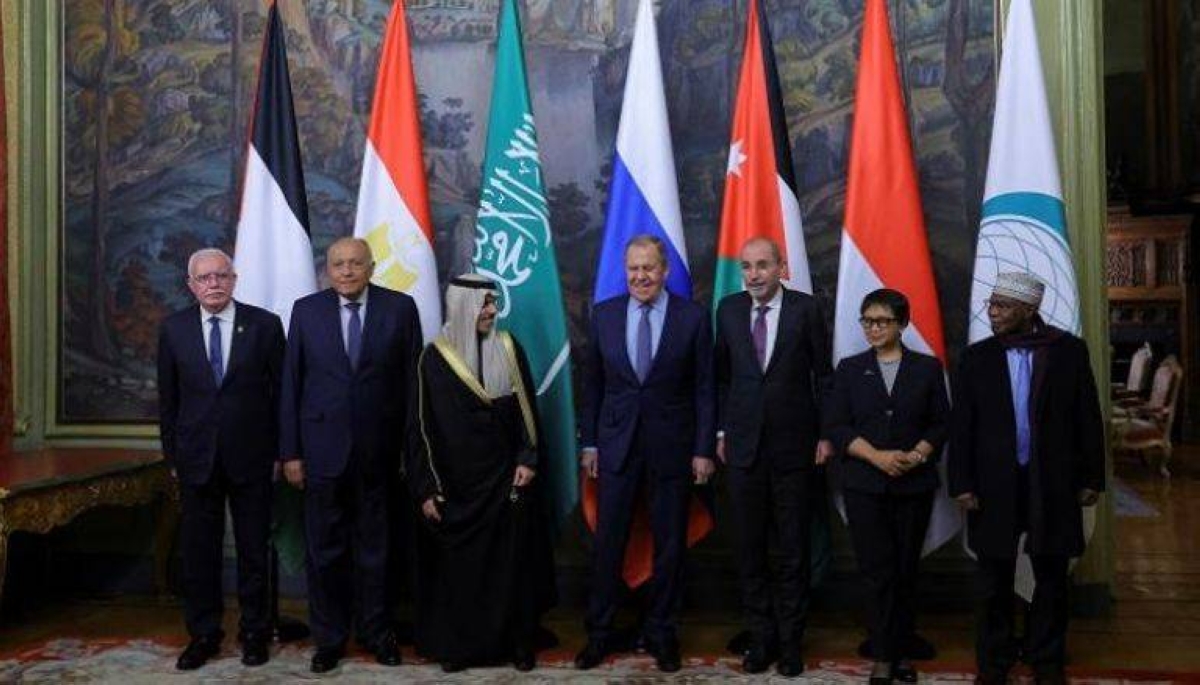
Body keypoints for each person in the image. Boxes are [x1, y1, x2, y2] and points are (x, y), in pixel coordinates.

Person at [948, 272, 1104, 685]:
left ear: (1029, 310)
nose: (993, 313)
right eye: (992, 304)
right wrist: (962, 483)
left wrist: (1092, 477)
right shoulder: (977, 357)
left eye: (1003, 306)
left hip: (1051, 482)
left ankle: (1046, 659)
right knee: (992, 578)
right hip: (992, 484)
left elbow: (1087, 417)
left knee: (1051, 575)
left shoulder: (1068, 351)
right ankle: (994, 662)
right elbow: (962, 426)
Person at [278, 237, 423, 673]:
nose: (346, 271)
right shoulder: (307, 311)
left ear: (371, 267)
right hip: (321, 455)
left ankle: (377, 634)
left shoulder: (400, 309)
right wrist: (291, 453)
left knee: (377, 552)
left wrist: (410, 451)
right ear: (328, 270)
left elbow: (412, 387)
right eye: (338, 264)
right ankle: (329, 639)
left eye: (355, 263)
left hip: (380, 455)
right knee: (324, 553)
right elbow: (291, 384)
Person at [575, 234, 716, 674]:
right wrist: (590, 443)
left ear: (665, 270)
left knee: (669, 547)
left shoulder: (693, 318)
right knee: (607, 544)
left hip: (672, 450)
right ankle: (599, 634)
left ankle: (662, 633)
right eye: (633, 269)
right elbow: (592, 386)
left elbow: (705, 389)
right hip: (615, 449)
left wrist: (703, 449)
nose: (640, 277)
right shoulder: (604, 315)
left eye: (648, 268)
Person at [408, 274, 556, 673]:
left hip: (506, 480)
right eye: (485, 303)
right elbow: (420, 428)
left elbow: (527, 413)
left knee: (513, 567)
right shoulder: (433, 358)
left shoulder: (508, 347)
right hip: (456, 488)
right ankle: (462, 647)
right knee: (462, 572)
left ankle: (517, 643)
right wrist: (427, 488)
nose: (492, 310)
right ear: (463, 306)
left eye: (492, 302)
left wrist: (527, 460)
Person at [157, 248, 285, 670]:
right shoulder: (173, 329)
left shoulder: (264, 326)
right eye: (204, 277)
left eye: (220, 275)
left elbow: (282, 395)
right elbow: (168, 400)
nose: (213, 283)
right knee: (199, 554)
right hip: (196, 459)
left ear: (234, 279)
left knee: (253, 551)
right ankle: (204, 635)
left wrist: (282, 452)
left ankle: (254, 633)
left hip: (253, 457)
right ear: (191, 285)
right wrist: (173, 456)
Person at [713, 237, 832, 677]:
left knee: (792, 551)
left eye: (762, 265)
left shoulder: (806, 309)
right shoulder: (728, 310)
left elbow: (824, 376)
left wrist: (825, 434)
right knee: (750, 550)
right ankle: (761, 640)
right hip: (743, 449)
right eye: (746, 267)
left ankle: (791, 642)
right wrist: (721, 430)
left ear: (782, 268)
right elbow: (721, 377)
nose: (754, 275)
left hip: (794, 449)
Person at [824, 288, 949, 684]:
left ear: (903, 324)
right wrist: (877, 457)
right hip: (865, 485)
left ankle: (903, 650)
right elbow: (837, 425)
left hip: (914, 484)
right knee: (876, 571)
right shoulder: (849, 368)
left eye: (882, 321)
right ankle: (883, 653)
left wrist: (918, 454)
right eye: (868, 321)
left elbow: (942, 422)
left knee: (905, 570)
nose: (874, 328)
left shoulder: (927, 368)